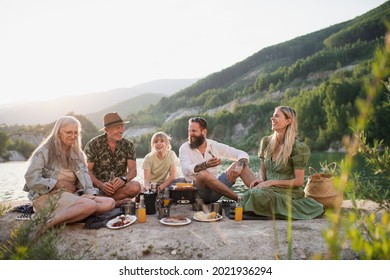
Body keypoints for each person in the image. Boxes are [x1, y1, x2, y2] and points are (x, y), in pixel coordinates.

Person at [23, 116, 115, 230]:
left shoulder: (78, 154)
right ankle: (48, 224)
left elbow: (87, 183)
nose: (73, 136)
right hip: (47, 196)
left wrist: (91, 195)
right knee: (90, 205)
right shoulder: (44, 152)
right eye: (68, 132)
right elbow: (31, 179)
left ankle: (74, 213)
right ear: (58, 133)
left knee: (109, 202)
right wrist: (57, 184)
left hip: (71, 195)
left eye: (76, 132)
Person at [243, 106, 325, 219]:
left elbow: (299, 181)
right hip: (268, 190)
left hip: (288, 192)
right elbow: (263, 169)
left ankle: (292, 207)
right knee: (249, 194)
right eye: (273, 115)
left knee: (257, 196)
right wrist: (261, 180)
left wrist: (271, 182)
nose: (272, 118)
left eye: (277, 116)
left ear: (288, 121)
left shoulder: (298, 148)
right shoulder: (266, 142)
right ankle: (273, 209)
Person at [179, 116, 257, 204]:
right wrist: (206, 164)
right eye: (189, 131)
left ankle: (261, 194)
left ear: (204, 132)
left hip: (217, 191)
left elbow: (242, 153)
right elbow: (186, 170)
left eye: (194, 131)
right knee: (203, 173)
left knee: (240, 164)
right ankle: (239, 199)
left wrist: (239, 168)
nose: (190, 134)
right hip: (198, 193)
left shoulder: (213, 145)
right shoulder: (184, 148)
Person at [84, 112, 141, 207]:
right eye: (117, 128)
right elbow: (86, 171)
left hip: (119, 189)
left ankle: (105, 203)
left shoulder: (128, 145)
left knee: (136, 186)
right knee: (87, 194)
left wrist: (124, 179)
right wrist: (101, 185)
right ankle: (116, 202)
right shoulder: (93, 145)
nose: (122, 130)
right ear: (107, 130)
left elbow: (133, 170)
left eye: (122, 127)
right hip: (98, 189)